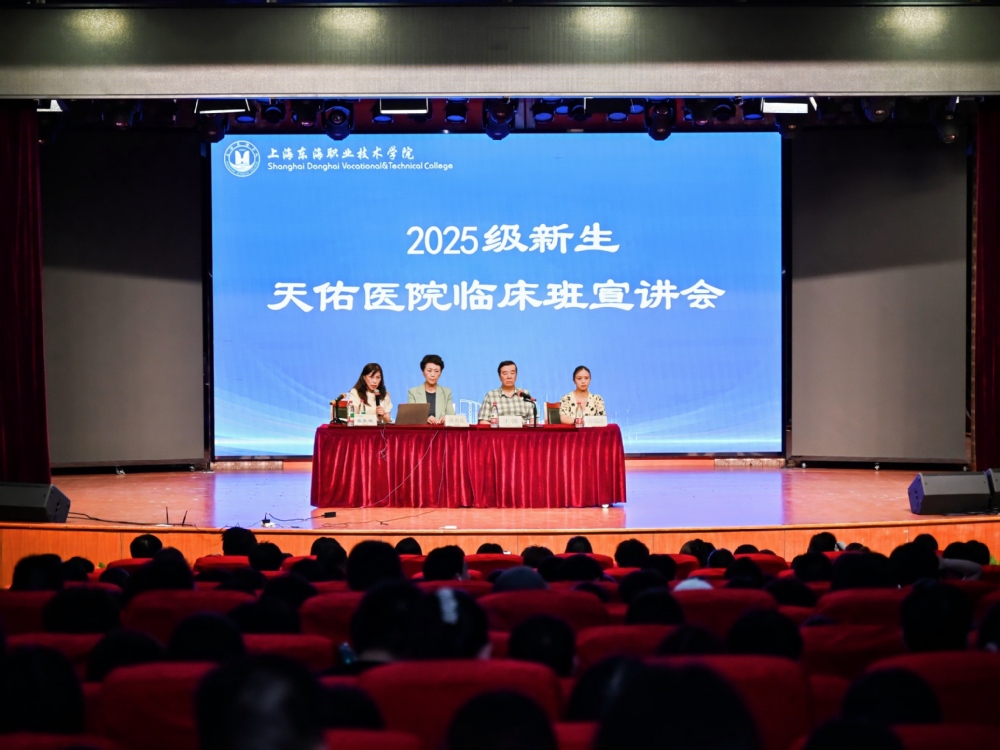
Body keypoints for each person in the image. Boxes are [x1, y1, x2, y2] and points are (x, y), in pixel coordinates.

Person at [477, 360, 536, 424]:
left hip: (521, 430)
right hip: (497, 430)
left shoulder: (524, 394)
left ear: (516, 375)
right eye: (505, 373)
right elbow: (483, 421)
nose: (509, 377)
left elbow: (533, 422)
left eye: (512, 373)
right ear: (499, 377)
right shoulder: (491, 395)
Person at [406, 354, 455, 424]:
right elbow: (410, 416)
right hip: (421, 430)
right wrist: (424, 419)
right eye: (429, 371)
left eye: (436, 371)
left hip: (441, 430)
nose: (433, 375)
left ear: (440, 373)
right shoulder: (413, 392)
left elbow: (452, 415)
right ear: (423, 372)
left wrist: (447, 419)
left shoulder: (447, 392)